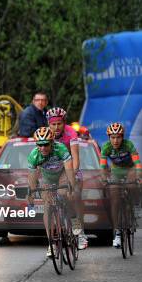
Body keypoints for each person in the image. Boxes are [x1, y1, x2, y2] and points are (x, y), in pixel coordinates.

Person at [27, 127, 76, 257]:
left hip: (62, 174)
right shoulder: (34, 155)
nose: (42, 148)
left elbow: (70, 169)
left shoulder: (61, 149)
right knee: (47, 206)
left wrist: (71, 186)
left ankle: (76, 225)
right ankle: (51, 244)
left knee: (63, 194)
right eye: (39, 144)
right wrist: (31, 193)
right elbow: (32, 178)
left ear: (52, 142)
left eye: (45, 144)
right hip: (47, 178)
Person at [46, 107, 87, 250]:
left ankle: (79, 231)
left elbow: (75, 158)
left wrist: (73, 177)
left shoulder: (71, 133)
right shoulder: (45, 135)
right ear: (48, 124)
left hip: (69, 168)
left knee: (72, 195)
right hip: (52, 170)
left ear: (64, 123)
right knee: (48, 200)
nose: (56, 127)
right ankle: (53, 237)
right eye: (53, 124)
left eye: (59, 123)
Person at [100, 122, 142, 248]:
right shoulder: (106, 147)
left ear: (122, 137)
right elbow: (102, 167)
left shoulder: (128, 145)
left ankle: (135, 204)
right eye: (112, 137)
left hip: (131, 169)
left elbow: (138, 162)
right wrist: (104, 178)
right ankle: (117, 232)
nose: (115, 140)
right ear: (109, 138)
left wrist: (139, 175)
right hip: (116, 171)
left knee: (131, 185)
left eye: (118, 137)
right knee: (114, 198)